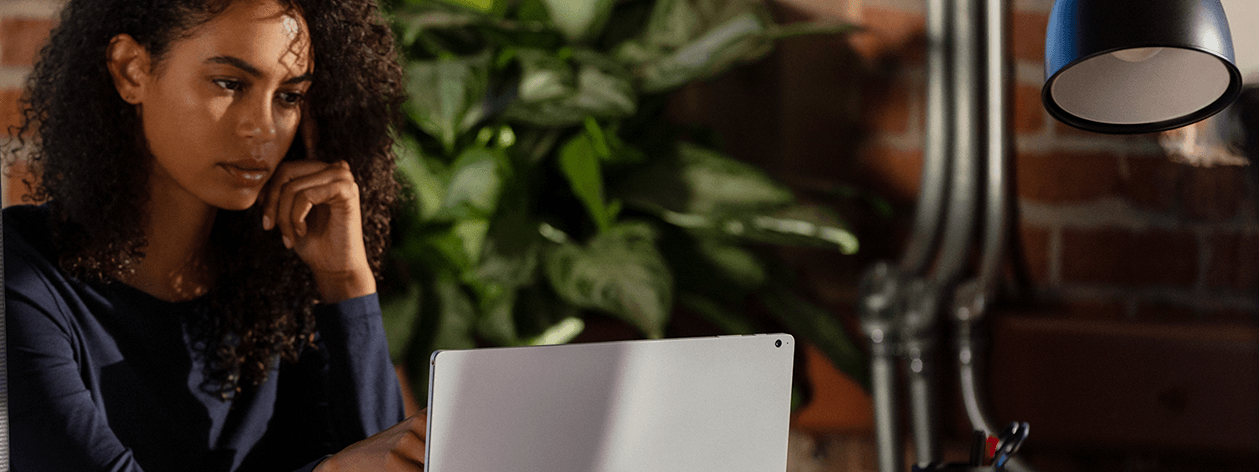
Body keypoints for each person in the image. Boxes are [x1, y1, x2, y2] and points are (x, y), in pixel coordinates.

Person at [4, 0, 428, 470]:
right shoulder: (21, 275)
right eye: (230, 84)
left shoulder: (280, 286)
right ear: (131, 71)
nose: (263, 128)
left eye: (288, 96)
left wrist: (346, 282)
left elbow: (381, 460)